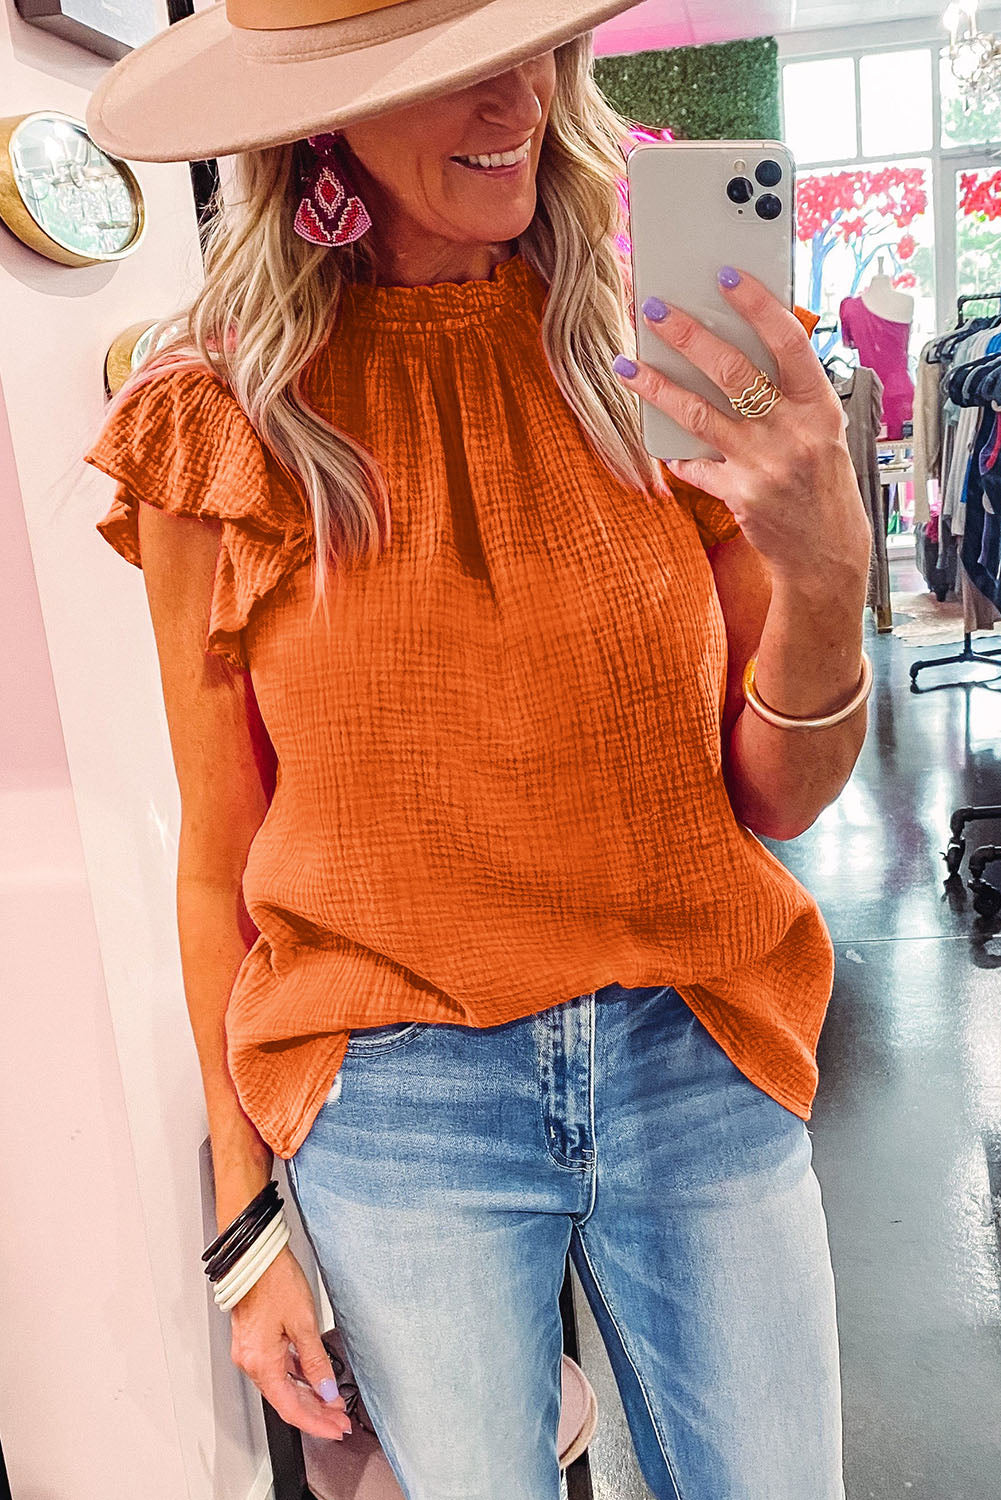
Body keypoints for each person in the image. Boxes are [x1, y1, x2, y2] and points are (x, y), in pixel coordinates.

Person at [82, 1, 873, 1495]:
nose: (517, 99)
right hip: (398, 1103)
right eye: (448, 70)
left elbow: (776, 796)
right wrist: (247, 1232)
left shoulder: (660, 366)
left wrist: (826, 576)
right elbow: (216, 864)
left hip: (694, 1043)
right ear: (320, 115)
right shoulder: (225, 423)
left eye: (536, 42)